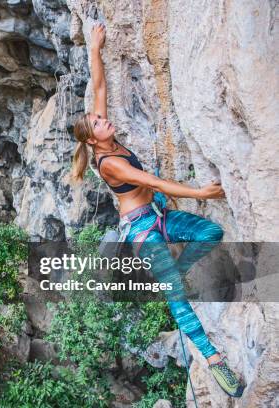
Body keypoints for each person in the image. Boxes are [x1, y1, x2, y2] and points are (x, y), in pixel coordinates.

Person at [70, 22, 245, 398]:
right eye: (98, 122)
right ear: (91, 139)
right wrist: (201, 192)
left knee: (210, 233)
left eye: (100, 118)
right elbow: (154, 183)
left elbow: (99, 86)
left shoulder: (106, 138)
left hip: (159, 215)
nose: (104, 119)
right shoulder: (110, 163)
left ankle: (174, 274)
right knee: (177, 297)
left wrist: (95, 49)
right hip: (142, 229)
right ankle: (214, 360)